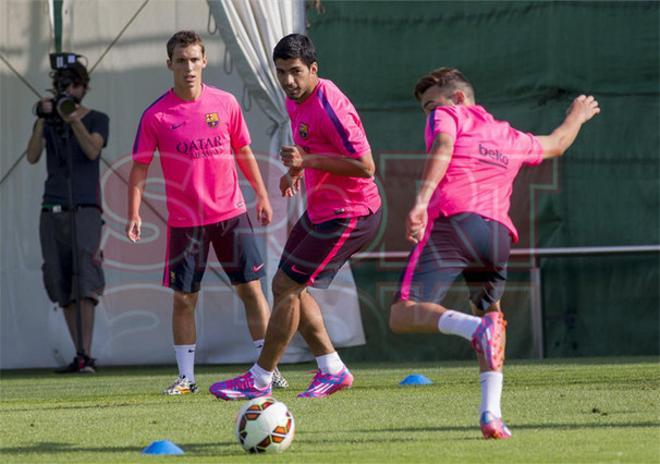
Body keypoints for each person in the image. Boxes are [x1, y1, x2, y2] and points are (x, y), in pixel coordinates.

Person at [388, 68, 600, 438]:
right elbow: (557, 143)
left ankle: (473, 329)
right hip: (496, 236)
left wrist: (420, 201)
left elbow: (442, 146)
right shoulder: (509, 135)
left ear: (456, 97)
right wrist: (577, 114)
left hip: (454, 220)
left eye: (430, 105)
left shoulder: (449, 114)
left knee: (402, 315)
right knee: (493, 318)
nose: (429, 113)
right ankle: (492, 414)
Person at [210, 33, 382, 400]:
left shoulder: (331, 105)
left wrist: (308, 162)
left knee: (288, 288)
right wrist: (297, 172)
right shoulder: (295, 100)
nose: (288, 80)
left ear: (313, 69)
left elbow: (366, 167)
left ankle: (259, 378)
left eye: (296, 72)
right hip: (322, 210)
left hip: (351, 213)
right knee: (284, 285)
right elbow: (311, 145)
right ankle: (332, 369)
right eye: (281, 72)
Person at [126, 30, 288, 395]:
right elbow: (139, 168)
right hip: (186, 223)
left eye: (194, 59)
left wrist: (262, 196)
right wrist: (133, 213)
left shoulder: (226, 103)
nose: (188, 67)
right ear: (169, 64)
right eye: (180, 61)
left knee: (252, 291)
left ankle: (269, 369)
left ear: (205, 61)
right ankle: (187, 378)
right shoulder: (155, 115)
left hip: (232, 215)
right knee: (184, 300)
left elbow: (244, 151)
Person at [26, 59, 109, 374]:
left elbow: (92, 150)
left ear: (84, 88)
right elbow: (33, 156)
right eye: (64, 85)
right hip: (51, 208)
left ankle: (86, 352)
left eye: (74, 84)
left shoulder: (98, 118)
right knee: (59, 279)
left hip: (85, 208)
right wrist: (41, 120)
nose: (69, 91)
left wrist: (72, 119)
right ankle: (78, 352)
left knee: (84, 278)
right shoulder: (49, 122)